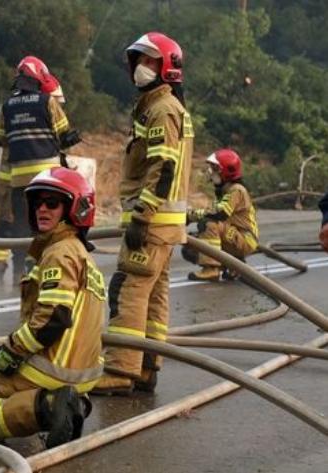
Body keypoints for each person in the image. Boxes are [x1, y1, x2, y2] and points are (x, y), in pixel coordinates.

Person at [0, 167, 104, 448]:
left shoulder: (60, 252)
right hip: (80, 374)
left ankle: (48, 407)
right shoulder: (82, 257)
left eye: (52, 203)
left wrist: (12, 350)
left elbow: (53, 318)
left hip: (49, 370)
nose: (42, 209)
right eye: (38, 203)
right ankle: (65, 405)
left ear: (75, 210)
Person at [92, 32, 193, 396]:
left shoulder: (162, 109)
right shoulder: (160, 106)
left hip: (151, 223)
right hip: (164, 225)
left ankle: (120, 370)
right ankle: (147, 368)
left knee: (128, 291)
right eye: (139, 61)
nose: (141, 68)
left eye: (150, 61)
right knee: (153, 296)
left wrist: (141, 215)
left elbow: (163, 167)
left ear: (167, 67)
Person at [0, 56, 78, 285]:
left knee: (19, 228)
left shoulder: (7, 106)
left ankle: (17, 272)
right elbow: (65, 135)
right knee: (44, 227)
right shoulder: (47, 102)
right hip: (48, 180)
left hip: (18, 183)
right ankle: (35, 272)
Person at [182, 149, 258, 281]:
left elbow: (219, 213)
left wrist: (191, 216)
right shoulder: (224, 191)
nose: (211, 172)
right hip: (235, 235)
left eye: (214, 168)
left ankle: (212, 269)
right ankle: (233, 265)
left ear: (226, 171)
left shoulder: (237, 190)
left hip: (245, 239)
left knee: (208, 224)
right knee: (191, 246)